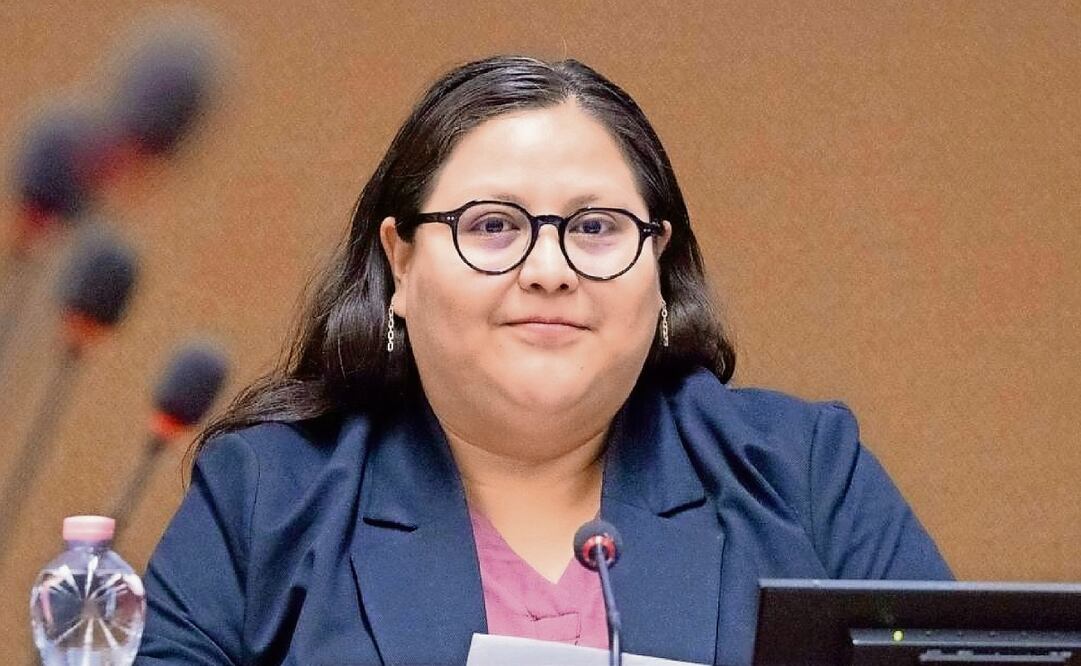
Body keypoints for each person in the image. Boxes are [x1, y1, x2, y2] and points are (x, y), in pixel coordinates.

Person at [135, 55, 951, 666]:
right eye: (493, 226)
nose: (549, 269)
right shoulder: (266, 497)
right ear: (400, 264)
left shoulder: (803, 473)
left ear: (658, 263)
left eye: (595, 229)